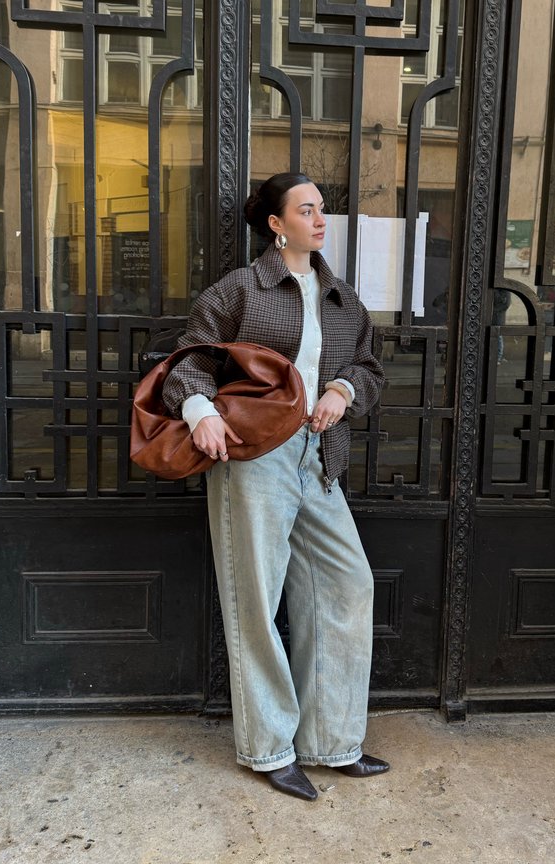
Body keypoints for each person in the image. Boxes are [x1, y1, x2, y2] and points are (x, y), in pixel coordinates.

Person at [162, 172, 388, 801]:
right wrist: (201, 414)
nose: (320, 221)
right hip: (252, 453)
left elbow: (367, 368)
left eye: (323, 211)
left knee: (347, 583)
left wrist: (342, 391)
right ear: (276, 224)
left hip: (320, 457)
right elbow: (188, 361)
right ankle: (268, 748)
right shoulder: (242, 289)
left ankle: (332, 740)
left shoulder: (342, 298)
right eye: (307, 210)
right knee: (255, 598)